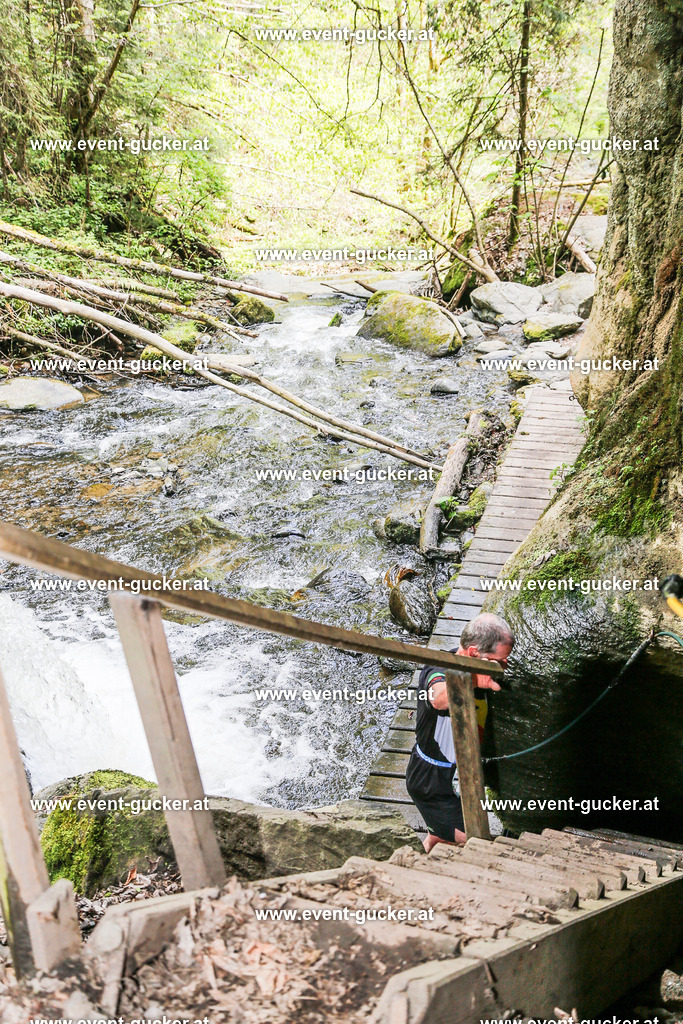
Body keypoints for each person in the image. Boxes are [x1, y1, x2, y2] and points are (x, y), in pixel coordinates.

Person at [405, 613, 514, 852]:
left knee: (439, 837)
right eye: (500, 661)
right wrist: (473, 678)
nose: (504, 668)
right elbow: (438, 699)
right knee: (478, 843)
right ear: (474, 653)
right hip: (432, 783)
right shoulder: (438, 666)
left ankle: (424, 855)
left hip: (460, 776)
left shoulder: (479, 665)